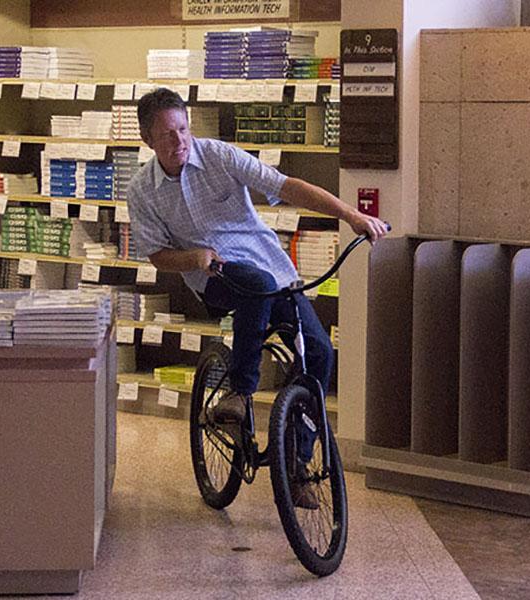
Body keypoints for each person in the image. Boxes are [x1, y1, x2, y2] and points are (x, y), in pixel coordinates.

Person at [127, 88, 387, 508]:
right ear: (147, 140)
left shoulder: (219, 155)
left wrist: (350, 216)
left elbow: (287, 187)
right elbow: (157, 256)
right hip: (212, 277)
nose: (179, 142)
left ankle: (298, 462)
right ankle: (239, 394)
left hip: (271, 269)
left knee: (319, 354)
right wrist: (194, 257)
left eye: (183, 130)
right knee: (252, 283)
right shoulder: (142, 191)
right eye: (168, 135)